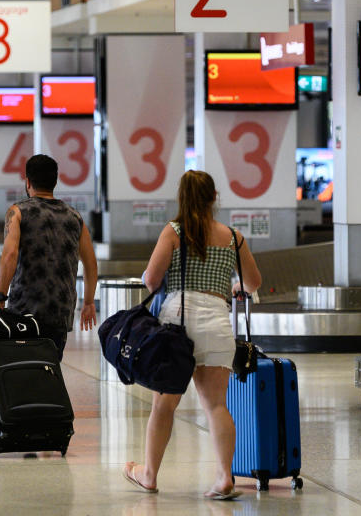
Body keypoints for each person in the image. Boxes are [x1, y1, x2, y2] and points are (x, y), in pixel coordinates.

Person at [125, 170, 262, 500]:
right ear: (214, 198)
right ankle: (224, 477)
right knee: (216, 404)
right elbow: (254, 282)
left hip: (178, 324)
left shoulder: (174, 232)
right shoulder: (233, 236)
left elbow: (152, 279)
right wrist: (234, 287)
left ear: (182, 198)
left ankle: (149, 475)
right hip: (217, 321)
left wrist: (152, 273)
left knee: (164, 405)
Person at [0, 154, 97, 358]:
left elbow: (9, 255)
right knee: (49, 369)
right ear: (55, 181)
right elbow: (90, 264)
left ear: (27, 182)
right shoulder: (74, 216)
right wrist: (88, 302)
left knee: (24, 369)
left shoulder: (17, 212)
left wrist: (0, 296)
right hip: (60, 312)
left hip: (24, 311)